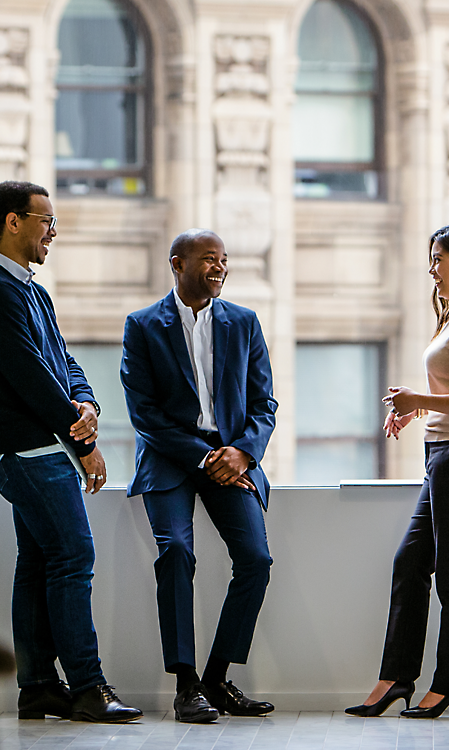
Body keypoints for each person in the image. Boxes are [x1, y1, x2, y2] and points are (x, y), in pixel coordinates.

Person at [0, 181, 142, 723]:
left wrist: (86, 402)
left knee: (39, 560)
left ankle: (38, 687)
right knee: (72, 556)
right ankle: (88, 687)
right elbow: (32, 380)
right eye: (45, 221)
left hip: (41, 447)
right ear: (12, 223)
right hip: (25, 452)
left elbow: (64, 363)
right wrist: (85, 441)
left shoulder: (31, 290)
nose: (53, 232)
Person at [345, 222, 449, 720]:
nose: (432, 269)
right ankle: (395, 678)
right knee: (410, 564)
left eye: (440, 259)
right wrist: (421, 408)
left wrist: (420, 399)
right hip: (445, 453)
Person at [121, 229, 277, 723]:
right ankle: (186, 685)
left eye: (224, 259)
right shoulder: (143, 326)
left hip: (232, 458)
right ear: (177, 263)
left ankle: (216, 679)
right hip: (171, 460)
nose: (220, 267)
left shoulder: (245, 323)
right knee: (176, 552)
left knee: (255, 559)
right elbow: (143, 413)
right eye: (209, 258)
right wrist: (203, 457)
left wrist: (243, 454)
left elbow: (264, 405)